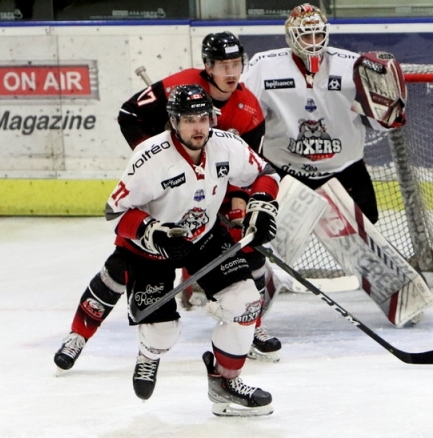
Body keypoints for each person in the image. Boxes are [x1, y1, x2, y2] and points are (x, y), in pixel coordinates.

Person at [53, 32, 282, 376]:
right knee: (119, 270)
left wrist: (253, 202)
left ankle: (250, 324)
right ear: (208, 67)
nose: (231, 72)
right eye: (223, 65)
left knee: (240, 244)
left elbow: (257, 168)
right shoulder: (180, 89)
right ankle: (78, 336)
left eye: (236, 64)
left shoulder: (247, 109)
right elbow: (130, 115)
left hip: (215, 186)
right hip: (161, 203)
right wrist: (163, 163)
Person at [106, 84, 279, 415]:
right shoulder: (150, 157)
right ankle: (149, 353)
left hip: (204, 236)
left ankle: (225, 383)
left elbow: (265, 173)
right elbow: (115, 212)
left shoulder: (226, 145)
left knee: (245, 301)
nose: (198, 127)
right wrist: (153, 233)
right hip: (151, 250)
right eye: (188, 120)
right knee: (161, 334)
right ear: (173, 121)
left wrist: (260, 202)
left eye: (202, 118)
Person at [240, 3, 406, 225]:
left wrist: (388, 114)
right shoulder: (263, 67)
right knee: (268, 238)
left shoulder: (352, 67)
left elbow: (380, 123)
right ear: (291, 36)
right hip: (284, 171)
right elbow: (247, 120)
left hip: (345, 169)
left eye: (318, 34)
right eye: (306, 36)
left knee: (367, 243)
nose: (314, 42)